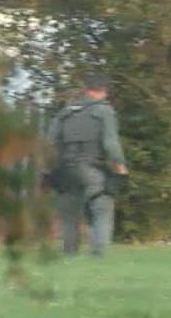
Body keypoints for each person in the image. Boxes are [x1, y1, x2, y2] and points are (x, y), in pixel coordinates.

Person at [45, 75, 128, 257]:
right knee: (102, 208)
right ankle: (98, 254)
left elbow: (49, 143)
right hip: (92, 168)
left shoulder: (66, 112)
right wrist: (120, 167)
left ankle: (68, 254)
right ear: (104, 92)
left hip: (65, 169)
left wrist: (48, 170)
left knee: (69, 215)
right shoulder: (104, 111)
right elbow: (110, 143)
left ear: (86, 89)